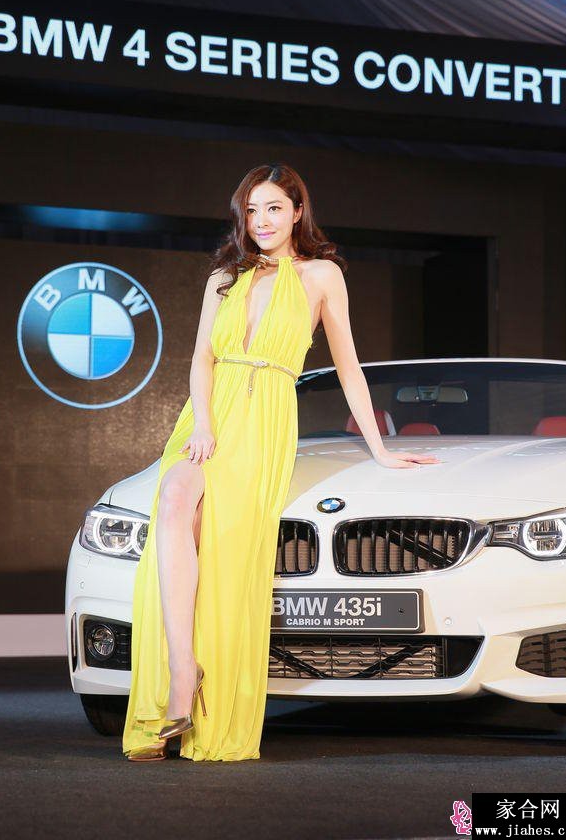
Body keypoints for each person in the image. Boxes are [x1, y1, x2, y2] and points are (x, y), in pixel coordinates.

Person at [121, 162, 441, 762]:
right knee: (172, 501)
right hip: (206, 419)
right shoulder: (224, 277)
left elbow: (348, 365)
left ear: (297, 211)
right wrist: (204, 425)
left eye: (273, 208)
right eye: (251, 210)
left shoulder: (321, 275)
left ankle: (196, 697)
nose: (262, 220)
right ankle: (182, 672)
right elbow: (201, 359)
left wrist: (379, 447)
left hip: (265, 420)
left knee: (222, 552)